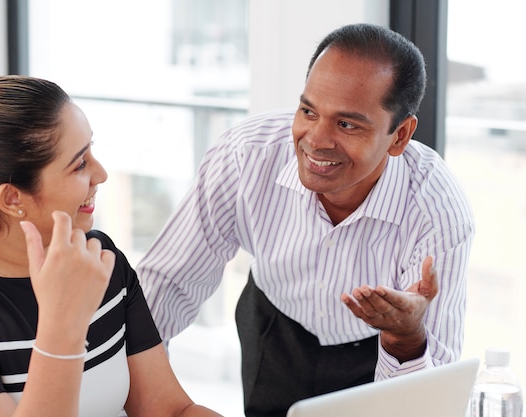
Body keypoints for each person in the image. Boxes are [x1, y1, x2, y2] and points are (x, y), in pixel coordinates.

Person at [136, 23, 475, 417]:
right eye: (308, 111)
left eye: (347, 124)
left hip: (379, 345)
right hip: (275, 326)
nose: (316, 139)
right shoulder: (245, 156)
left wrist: (405, 337)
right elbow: (167, 284)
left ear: (399, 135)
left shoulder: (437, 208)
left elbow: (433, 395)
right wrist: (134, 395)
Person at [0, 75, 223, 417]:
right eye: (80, 164)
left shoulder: (97, 259)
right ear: (12, 198)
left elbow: (172, 410)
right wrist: (62, 323)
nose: (100, 174)